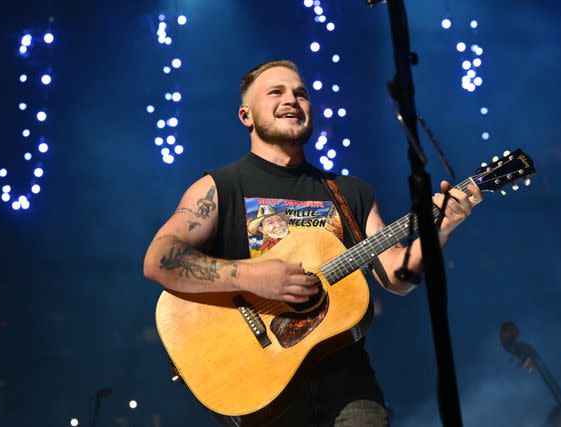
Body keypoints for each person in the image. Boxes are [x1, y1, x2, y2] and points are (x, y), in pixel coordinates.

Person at [143, 59, 483, 426]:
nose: (292, 99)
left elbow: (396, 277)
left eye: (301, 93)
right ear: (246, 115)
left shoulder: (350, 192)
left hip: (349, 388)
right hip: (261, 382)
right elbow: (159, 259)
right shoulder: (220, 187)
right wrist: (250, 277)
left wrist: (440, 231)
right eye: (276, 92)